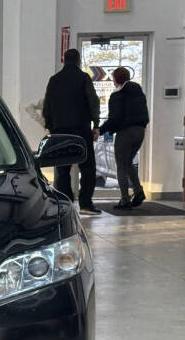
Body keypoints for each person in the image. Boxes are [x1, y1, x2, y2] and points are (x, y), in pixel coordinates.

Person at [42, 48, 102, 216]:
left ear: (64, 60)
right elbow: (93, 102)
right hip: (81, 130)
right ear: (78, 61)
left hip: (60, 131)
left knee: (62, 169)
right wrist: (96, 125)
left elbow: (47, 107)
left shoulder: (54, 80)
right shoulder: (83, 78)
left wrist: (51, 127)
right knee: (88, 168)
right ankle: (85, 204)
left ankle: (65, 204)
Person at [99, 67, 149, 209]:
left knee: (121, 165)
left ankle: (125, 199)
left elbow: (114, 120)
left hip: (125, 133)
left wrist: (100, 131)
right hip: (140, 131)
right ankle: (138, 191)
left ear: (116, 79)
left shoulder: (117, 96)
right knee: (128, 163)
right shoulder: (139, 93)